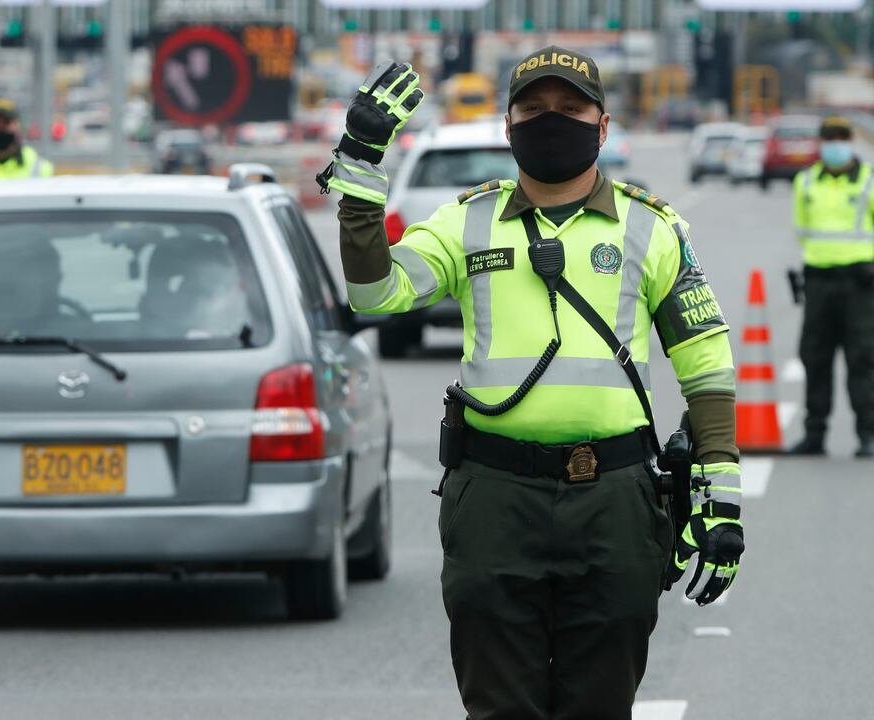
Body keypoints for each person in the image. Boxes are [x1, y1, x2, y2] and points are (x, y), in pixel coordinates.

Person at [319, 50, 745, 719]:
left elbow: (705, 361)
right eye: (534, 110)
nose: (552, 122)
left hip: (616, 502)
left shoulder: (652, 227)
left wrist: (722, 495)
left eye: (571, 110)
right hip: (493, 500)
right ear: (508, 125)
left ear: (602, 128)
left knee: (600, 708)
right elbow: (374, 295)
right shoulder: (467, 223)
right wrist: (360, 164)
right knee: (498, 708)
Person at [788, 115, 874, 458]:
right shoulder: (805, 182)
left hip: (860, 284)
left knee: (863, 359)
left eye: (840, 138)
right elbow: (802, 230)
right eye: (829, 139)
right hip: (820, 283)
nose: (835, 145)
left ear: (851, 141)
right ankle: (814, 435)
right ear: (821, 144)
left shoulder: (868, 181)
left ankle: (868, 434)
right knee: (815, 358)